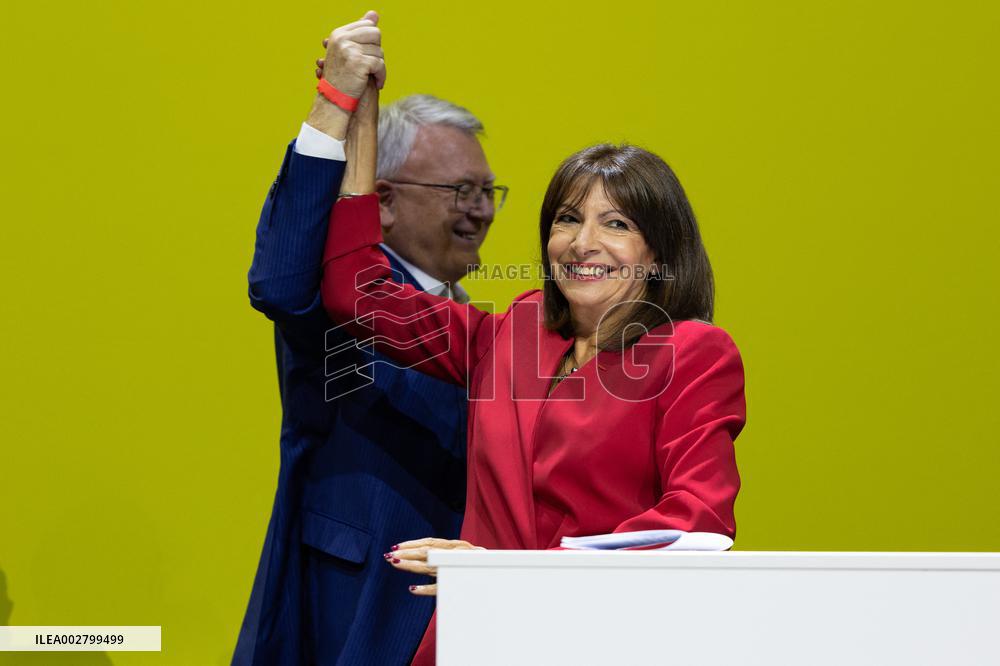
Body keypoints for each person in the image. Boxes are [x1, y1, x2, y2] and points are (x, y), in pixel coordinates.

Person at [320, 83, 746, 664]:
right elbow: (357, 295)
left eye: (616, 224)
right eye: (567, 219)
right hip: (478, 639)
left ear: (657, 253)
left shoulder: (693, 353)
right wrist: (357, 123)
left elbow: (696, 523)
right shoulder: (514, 331)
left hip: (606, 640)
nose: (583, 242)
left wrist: (513, 575)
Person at [234, 12, 505, 665]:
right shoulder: (337, 299)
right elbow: (277, 279)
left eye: (489, 191)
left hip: (474, 619)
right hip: (351, 614)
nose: (482, 209)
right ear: (381, 199)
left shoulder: (492, 330)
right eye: (460, 192)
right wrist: (335, 106)